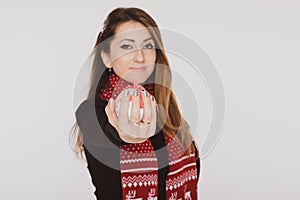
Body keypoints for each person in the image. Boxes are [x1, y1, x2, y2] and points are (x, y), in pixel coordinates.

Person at [71, 7, 201, 200]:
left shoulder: (168, 114)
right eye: (127, 46)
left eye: (148, 46)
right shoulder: (92, 113)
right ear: (106, 57)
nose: (140, 57)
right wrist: (130, 131)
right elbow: (119, 134)